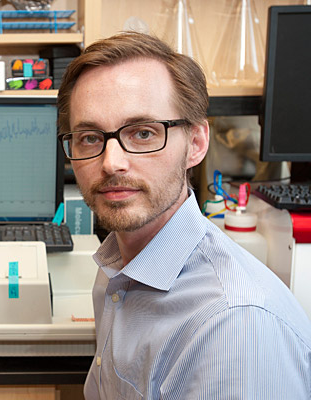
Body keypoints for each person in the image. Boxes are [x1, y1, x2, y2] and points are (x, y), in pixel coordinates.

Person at [56, 31, 311, 399]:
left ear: (196, 144)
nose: (111, 163)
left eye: (143, 133)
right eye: (90, 137)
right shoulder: (119, 264)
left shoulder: (232, 324)